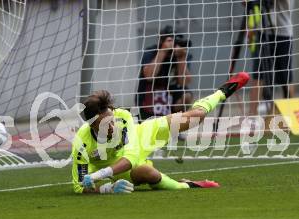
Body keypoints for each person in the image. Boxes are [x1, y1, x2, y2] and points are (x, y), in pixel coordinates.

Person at [71, 72, 250, 194]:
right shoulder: (82, 143)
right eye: (104, 125)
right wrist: (106, 188)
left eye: (112, 121)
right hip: (116, 167)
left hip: (140, 138)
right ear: (92, 125)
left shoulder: (123, 117)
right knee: (149, 174)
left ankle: (221, 92)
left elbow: (131, 155)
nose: (111, 127)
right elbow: (79, 186)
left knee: (196, 116)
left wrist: (97, 175)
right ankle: (187, 185)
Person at [136, 25, 193, 121]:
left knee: (187, 96)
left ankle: (175, 125)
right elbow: (149, 76)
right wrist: (163, 51)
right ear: (161, 41)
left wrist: (181, 59)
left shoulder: (181, 54)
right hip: (150, 95)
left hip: (170, 95)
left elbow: (184, 82)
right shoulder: (151, 51)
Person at [248, 0, 294, 115]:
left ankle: (289, 115)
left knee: (285, 76)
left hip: (283, 32)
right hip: (262, 32)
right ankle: (251, 117)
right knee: (258, 74)